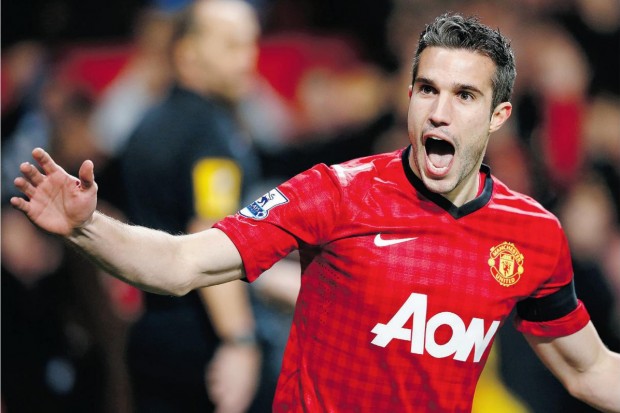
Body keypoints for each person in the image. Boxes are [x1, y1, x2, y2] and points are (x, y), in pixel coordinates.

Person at [11, 12, 620, 413]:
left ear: (498, 116)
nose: (439, 112)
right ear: (409, 96)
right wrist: (87, 227)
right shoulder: (336, 194)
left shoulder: (531, 236)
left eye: (465, 96)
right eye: (428, 90)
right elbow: (180, 263)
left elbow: (589, 369)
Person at [96, 1, 263, 412]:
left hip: (153, 334)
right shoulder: (210, 135)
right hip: (203, 344)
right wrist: (239, 341)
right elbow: (213, 235)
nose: (248, 58)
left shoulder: (147, 123)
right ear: (188, 53)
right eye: (231, 45)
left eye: (251, 44)